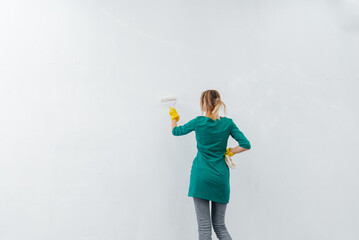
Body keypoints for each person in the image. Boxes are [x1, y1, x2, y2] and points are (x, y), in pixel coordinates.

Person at [169, 89, 251, 240]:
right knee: (220, 226)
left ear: (202, 103)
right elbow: (246, 144)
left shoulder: (198, 122)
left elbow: (176, 131)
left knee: (204, 228)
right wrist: (230, 151)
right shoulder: (228, 123)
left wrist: (174, 117)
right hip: (220, 178)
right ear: (218, 102)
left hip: (201, 177)